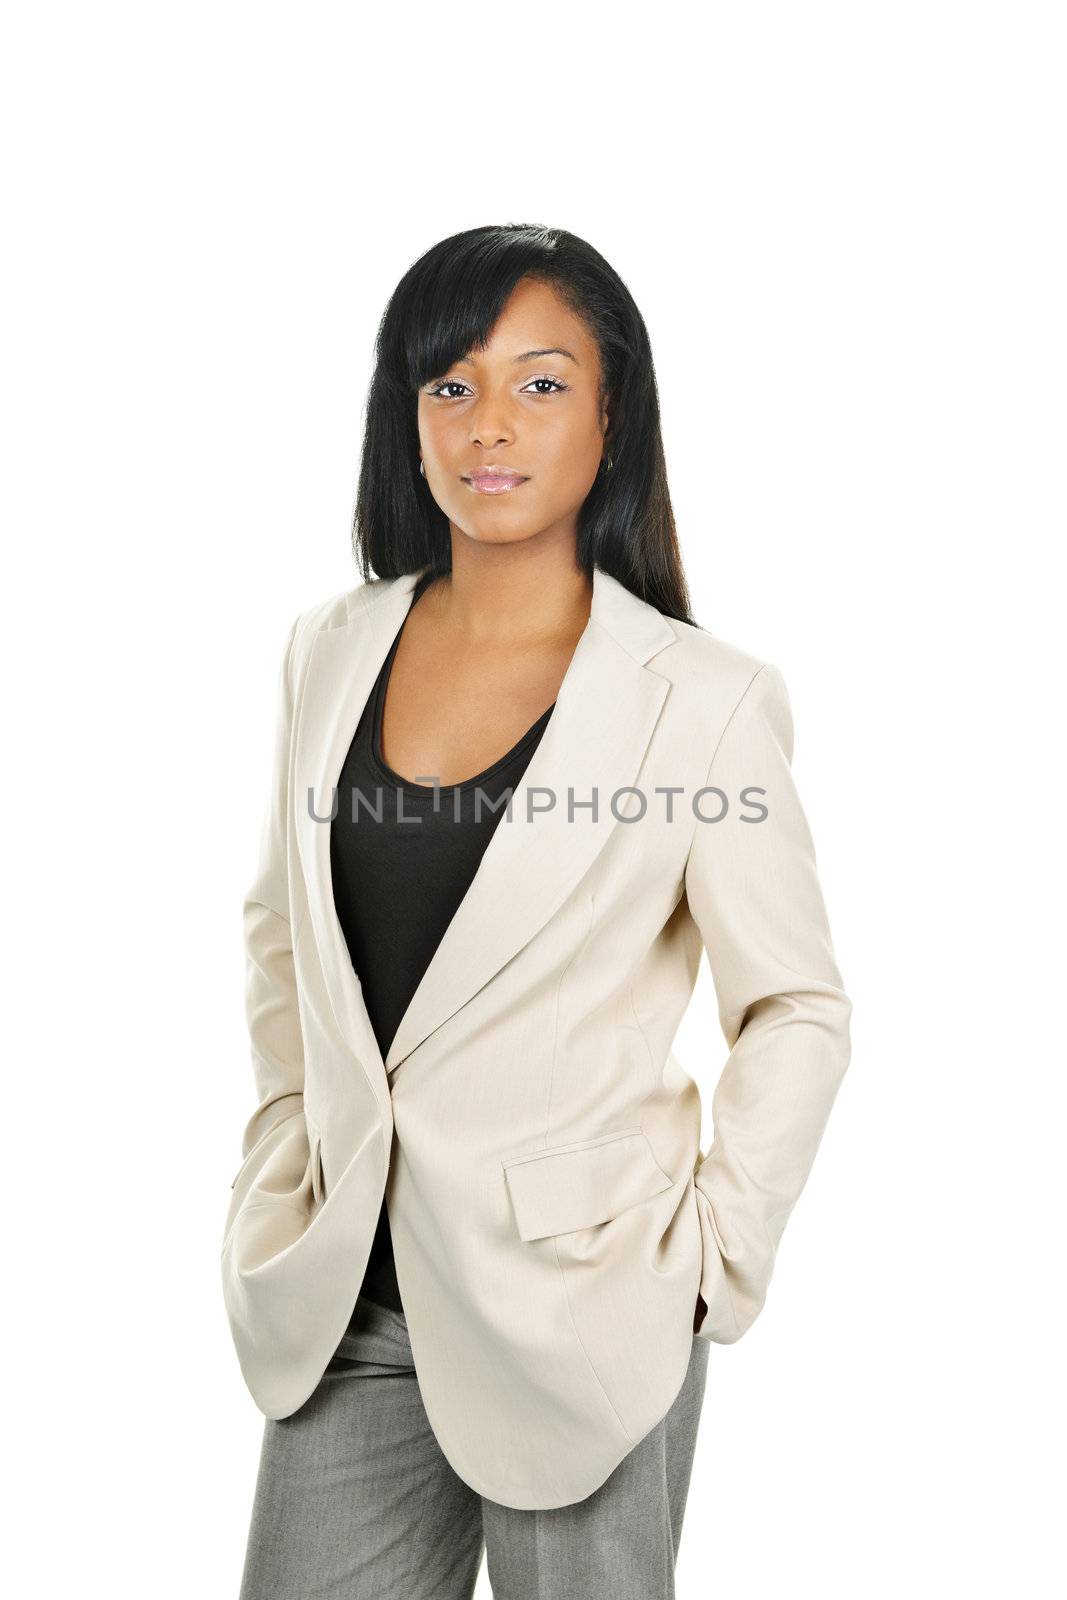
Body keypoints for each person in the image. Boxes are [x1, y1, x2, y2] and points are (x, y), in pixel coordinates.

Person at [226, 224, 852, 1600]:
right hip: (349, 1294)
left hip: (592, 1305)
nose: (488, 424)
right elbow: (285, 941)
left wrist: (712, 1257)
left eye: (541, 382)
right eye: (449, 385)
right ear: (408, 417)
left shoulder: (704, 699)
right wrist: (291, 1150)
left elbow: (794, 1004)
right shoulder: (327, 652)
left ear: (613, 411)